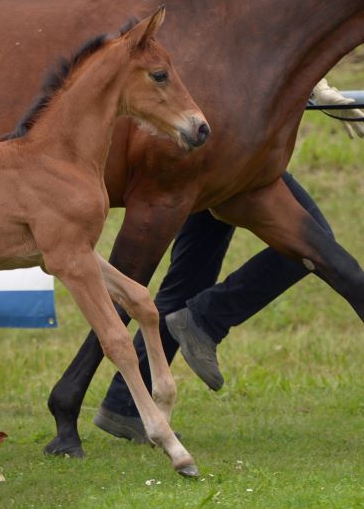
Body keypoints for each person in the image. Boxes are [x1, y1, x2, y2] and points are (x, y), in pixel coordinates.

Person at [94, 79, 364, 442]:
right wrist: (316, 88)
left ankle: (123, 406)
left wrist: (316, 87)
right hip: (231, 146)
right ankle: (205, 319)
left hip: (212, 137)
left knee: (189, 280)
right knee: (313, 244)